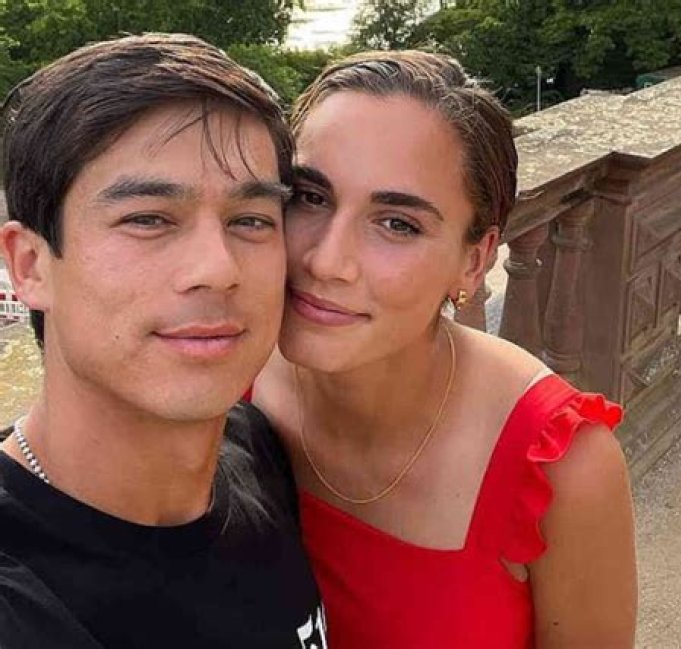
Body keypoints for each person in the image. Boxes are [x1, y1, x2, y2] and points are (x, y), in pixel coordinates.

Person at [253, 51, 637, 648]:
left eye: (397, 224)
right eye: (310, 196)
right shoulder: (230, 372)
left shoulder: (559, 469)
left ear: (474, 260)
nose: (325, 261)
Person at [0, 34, 327, 648]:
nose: (218, 268)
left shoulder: (260, 452)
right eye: (147, 218)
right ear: (30, 265)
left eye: (250, 220)